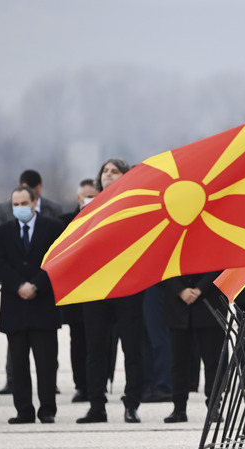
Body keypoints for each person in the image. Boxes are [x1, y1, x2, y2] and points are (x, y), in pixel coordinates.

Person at [77, 158, 145, 424]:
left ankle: (132, 404)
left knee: (132, 349)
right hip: (96, 289)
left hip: (128, 287)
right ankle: (97, 405)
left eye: (114, 171)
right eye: (105, 171)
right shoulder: (90, 208)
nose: (108, 175)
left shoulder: (137, 206)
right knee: (95, 350)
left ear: (125, 176)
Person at [0, 186, 65, 423]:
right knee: (19, 364)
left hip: (43, 303)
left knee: (46, 363)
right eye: (16, 204)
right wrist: (18, 285)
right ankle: (23, 410)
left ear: (35, 203)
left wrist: (36, 285)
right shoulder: (2, 232)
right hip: (15, 304)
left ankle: (47, 410)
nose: (20, 208)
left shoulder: (53, 228)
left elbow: (56, 260)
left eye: (24, 203)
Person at [161, 271, 227, 423]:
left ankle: (214, 406)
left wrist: (199, 289)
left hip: (208, 301)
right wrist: (180, 290)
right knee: (178, 362)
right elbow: (164, 266)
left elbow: (219, 265)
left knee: (212, 361)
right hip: (178, 304)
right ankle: (179, 408)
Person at [58, 179, 99, 403]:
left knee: (98, 343)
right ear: (78, 197)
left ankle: (97, 387)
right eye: (87, 196)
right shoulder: (64, 222)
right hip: (75, 292)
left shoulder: (104, 218)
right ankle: (81, 386)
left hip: (98, 291)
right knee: (78, 340)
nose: (90, 200)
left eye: (94, 195)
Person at [0, 169, 64, 224]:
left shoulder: (54, 209)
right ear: (19, 186)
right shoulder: (5, 209)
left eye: (36, 193)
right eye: (27, 192)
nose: (32, 196)